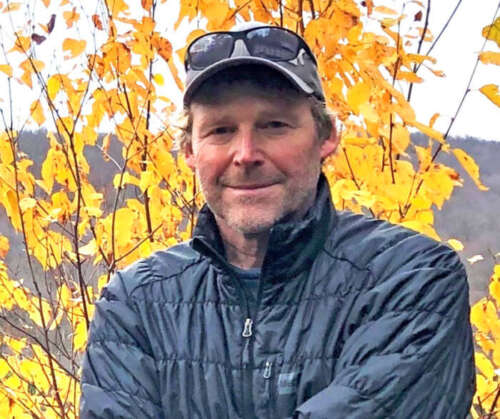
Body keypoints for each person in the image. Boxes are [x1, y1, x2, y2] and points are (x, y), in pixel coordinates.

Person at [80, 21, 476, 418]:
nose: (246, 153)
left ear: (326, 137)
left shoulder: (411, 278)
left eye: (274, 126)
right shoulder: (136, 304)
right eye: (221, 130)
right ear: (189, 150)